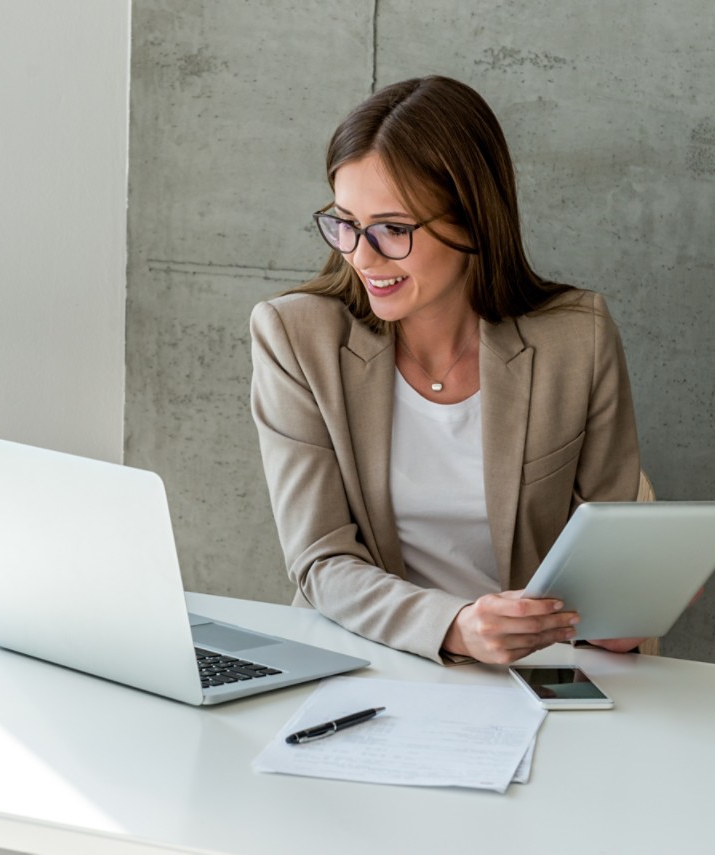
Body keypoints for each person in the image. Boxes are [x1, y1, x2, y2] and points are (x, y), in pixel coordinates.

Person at [250, 76, 645, 665]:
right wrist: (454, 626)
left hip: (532, 671)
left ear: (472, 222)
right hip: (368, 658)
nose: (361, 255)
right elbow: (320, 561)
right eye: (345, 222)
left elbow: (605, 554)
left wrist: (621, 611)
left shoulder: (576, 338)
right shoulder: (296, 337)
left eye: (392, 229)